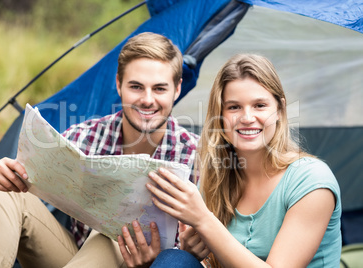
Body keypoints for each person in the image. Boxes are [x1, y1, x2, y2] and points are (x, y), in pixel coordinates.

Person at [0, 32, 199, 267]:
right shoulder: (84, 137)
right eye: (136, 87)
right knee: (4, 191)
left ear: (177, 89)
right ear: (118, 84)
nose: (147, 100)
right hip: (76, 258)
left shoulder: (196, 155)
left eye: (159, 89)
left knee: (114, 232)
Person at [145, 54, 342, 267]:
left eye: (259, 105)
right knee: (175, 260)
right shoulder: (217, 178)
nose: (247, 118)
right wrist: (194, 252)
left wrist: (204, 220)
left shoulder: (311, 181)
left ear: (280, 111)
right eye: (234, 107)